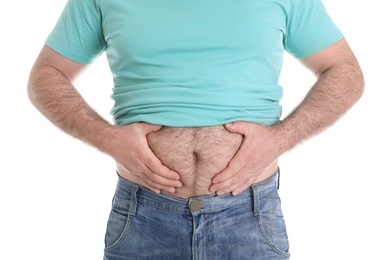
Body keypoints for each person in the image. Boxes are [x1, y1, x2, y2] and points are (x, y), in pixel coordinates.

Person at [27, 0, 364, 258]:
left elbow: (344, 72)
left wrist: (279, 139)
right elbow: (46, 75)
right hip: (143, 214)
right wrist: (110, 139)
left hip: (249, 214)